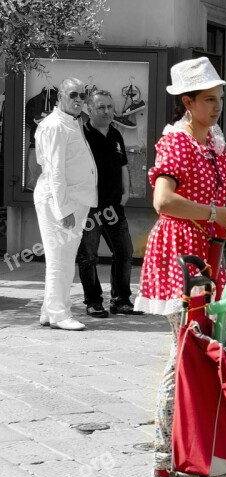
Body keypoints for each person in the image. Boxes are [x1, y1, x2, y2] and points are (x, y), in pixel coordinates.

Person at [134, 58, 226, 477]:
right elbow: (163, 202)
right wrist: (214, 213)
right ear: (187, 102)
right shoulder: (177, 143)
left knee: (207, 349)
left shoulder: (214, 145)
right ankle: (166, 457)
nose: (217, 105)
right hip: (178, 254)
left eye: (220, 97)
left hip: (208, 253)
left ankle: (204, 451)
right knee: (187, 350)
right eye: (209, 99)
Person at [34, 78, 98, 331]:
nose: (79, 99)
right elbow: (55, 172)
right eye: (73, 94)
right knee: (60, 260)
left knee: (60, 259)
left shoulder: (70, 122)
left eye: (83, 95)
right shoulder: (55, 126)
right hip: (61, 201)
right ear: (60, 96)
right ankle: (60, 314)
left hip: (73, 200)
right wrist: (63, 209)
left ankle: (49, 311)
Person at [76, 90, 142, 318]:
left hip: (115, 208)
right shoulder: (80, 135)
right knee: (88, 257)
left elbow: (123, 165)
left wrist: (126, 192)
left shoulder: (116, 134)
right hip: (90, 209)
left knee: (124, 254)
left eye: (109, 107)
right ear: (89, 110)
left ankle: (121, 300)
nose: (106, 111)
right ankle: (93, 301)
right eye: (101, 107)